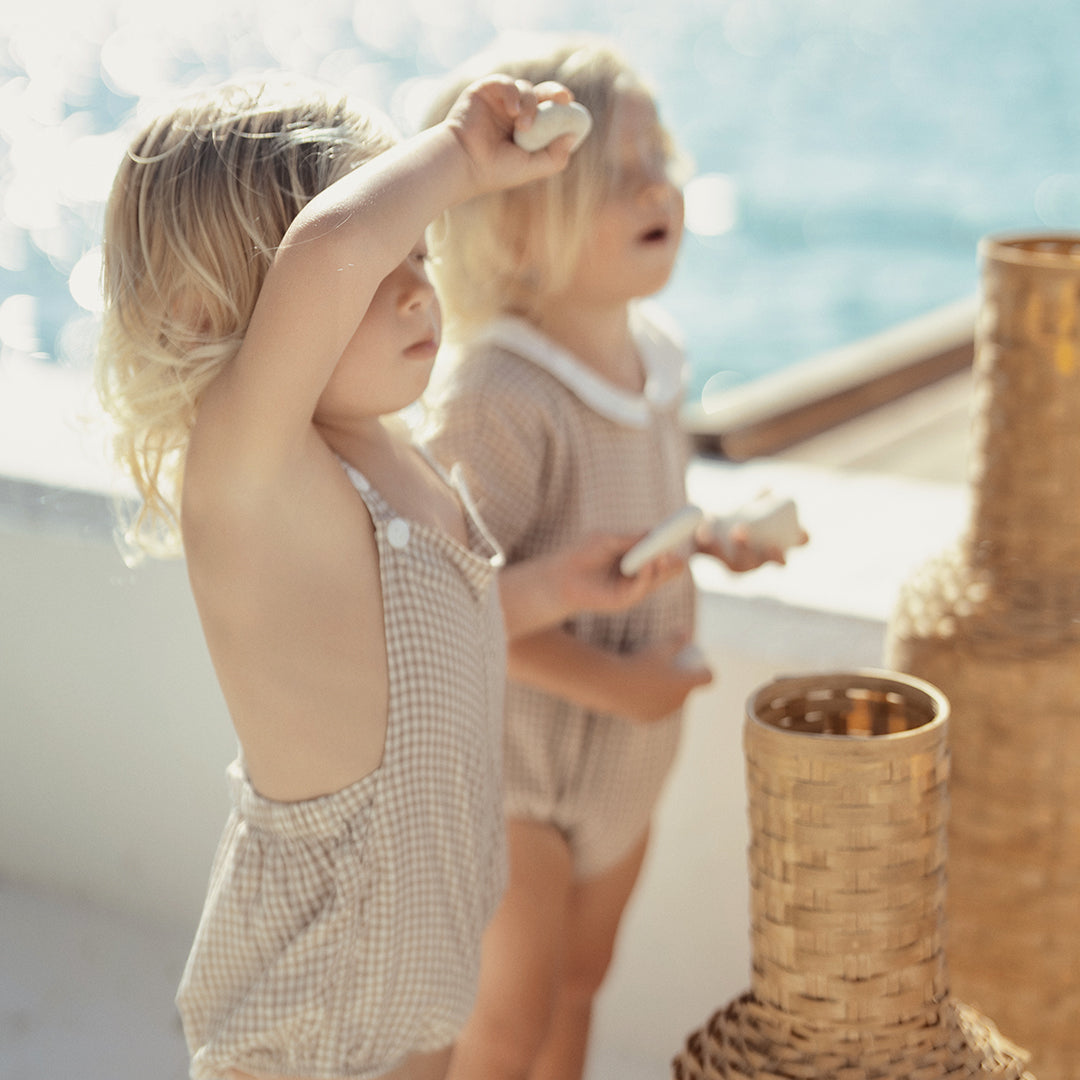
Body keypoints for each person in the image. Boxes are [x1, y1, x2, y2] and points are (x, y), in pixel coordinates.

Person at [94, 72, 685, 1080]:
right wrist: (457, 154)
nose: (415, 284)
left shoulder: (395, 460)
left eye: (418, 253)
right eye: (379, 268)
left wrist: (557, 592)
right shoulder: (256, 481)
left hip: (420, 951)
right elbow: (332, 248)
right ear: (216, 314)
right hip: (319, 995)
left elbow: (427, 639)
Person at [420, 36, 802, 1080]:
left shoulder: (658, 360)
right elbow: (444, 609)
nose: (656, 184)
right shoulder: (499, 396)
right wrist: (619, 685)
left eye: (660, 157)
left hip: (626, 767)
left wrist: (712, 538)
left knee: (581, 986)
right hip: (519, 770)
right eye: (616, 172)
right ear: (516, 225)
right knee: (507, 1020)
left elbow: (635, 515)